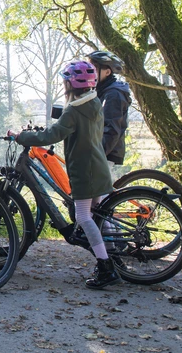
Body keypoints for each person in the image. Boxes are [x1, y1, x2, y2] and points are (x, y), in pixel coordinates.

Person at [12, 61, 120, 289]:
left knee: (83, 217)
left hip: (84, 171)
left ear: (70, 84)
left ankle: (105, 266)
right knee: (97, 215)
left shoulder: (73, 109)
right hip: (99, 167)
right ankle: (113, 254)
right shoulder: (95, 102)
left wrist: (22, 136)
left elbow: (52, 135)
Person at [88, 50, 132, 172]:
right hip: (100, 150)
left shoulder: (113, 94)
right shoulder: (101, 91)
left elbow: (111, 129)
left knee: (95, 190)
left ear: (107, 72)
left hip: (105, 152)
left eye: (94, 69)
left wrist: (98, 154)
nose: (90, 72)